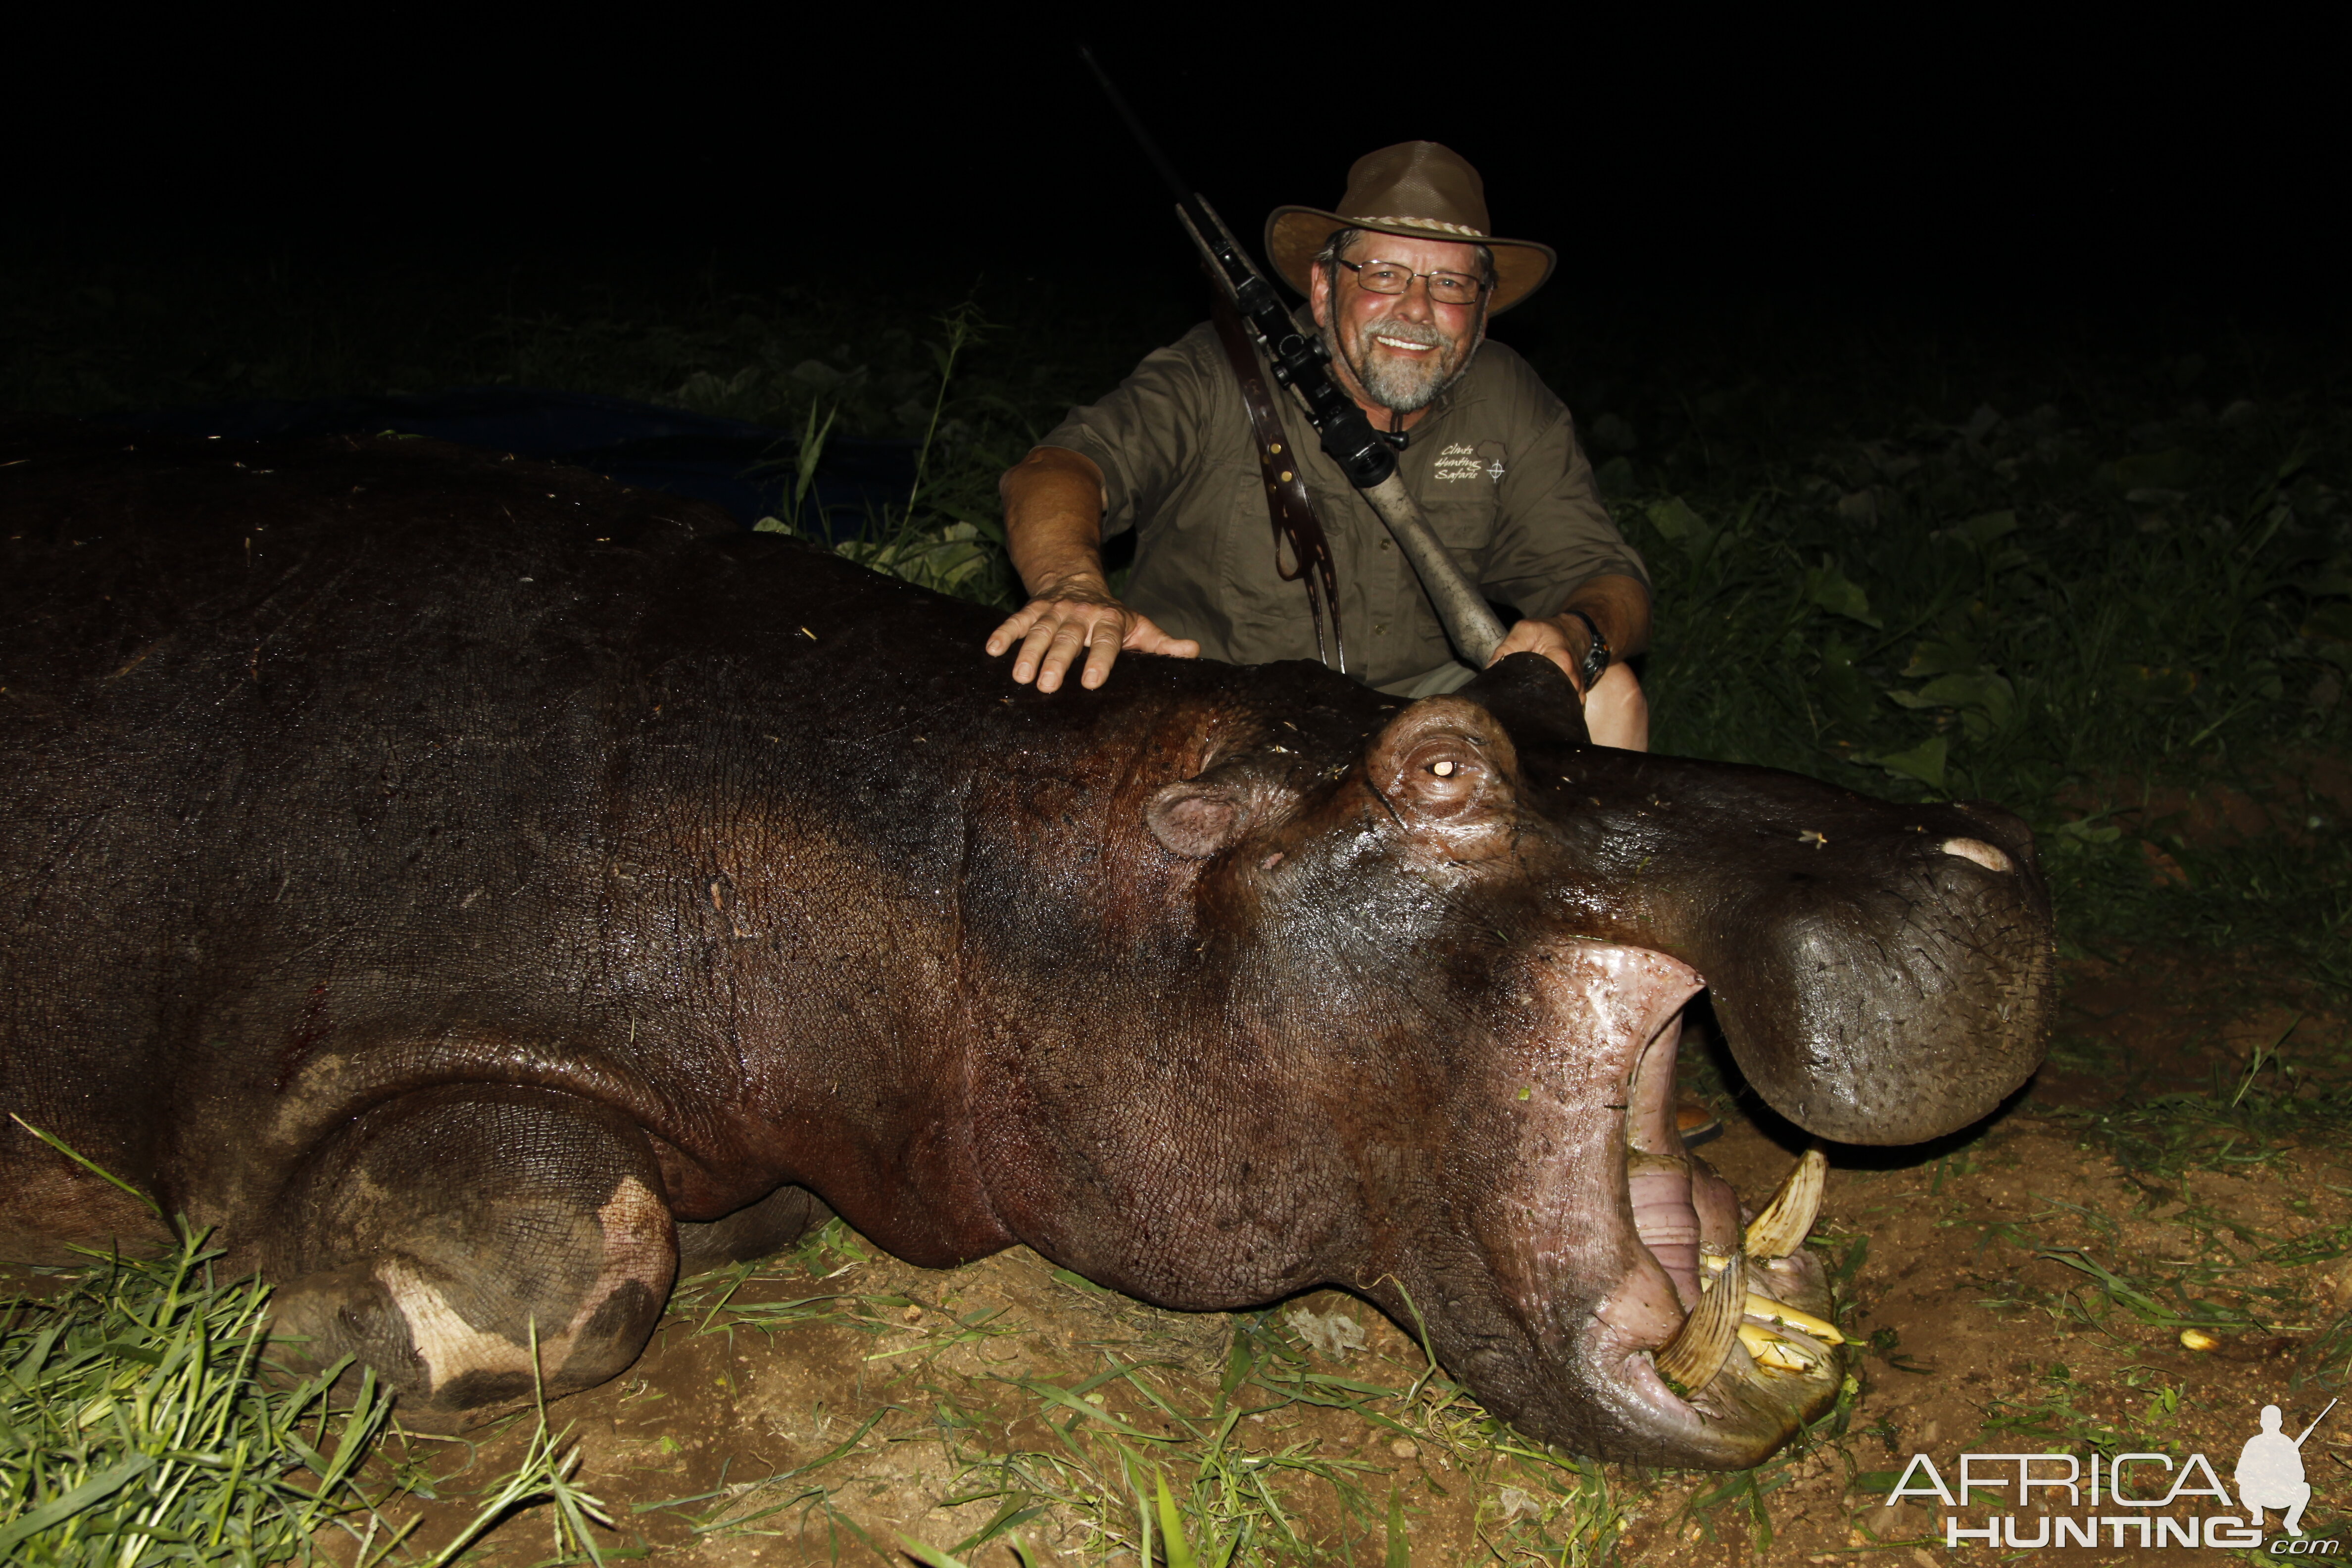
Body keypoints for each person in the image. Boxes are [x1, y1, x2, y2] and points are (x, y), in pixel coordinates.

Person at [983, 141, 1652, 751]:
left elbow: (1608, 576)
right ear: (1326, 287)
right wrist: (1074, 587)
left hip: (1418, 723)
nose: (1417, 310)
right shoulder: (1219, 372)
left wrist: (1578, 635)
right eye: (1385, 274)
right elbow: (1058, 469)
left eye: (1450, 285)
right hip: (1220, 719)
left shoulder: (1509, 397)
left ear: (1480, 314)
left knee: (1609, 693)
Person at [2236, 1403, 2314, 1535]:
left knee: (2305, 1489)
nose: (2271, 1425)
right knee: (2243, 1488)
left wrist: (2284, 1471)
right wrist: (2256, 1475)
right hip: (2259, 1493)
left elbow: (2300, 1475)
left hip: (2281, 1493)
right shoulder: (2254, 1443)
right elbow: (2240, 1472)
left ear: (2280, 1423)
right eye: (2268, 1422)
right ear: (2262, 1423)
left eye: (2274, 1422)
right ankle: (2257, 1512)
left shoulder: (2287, 1444)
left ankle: (2291, 1522)